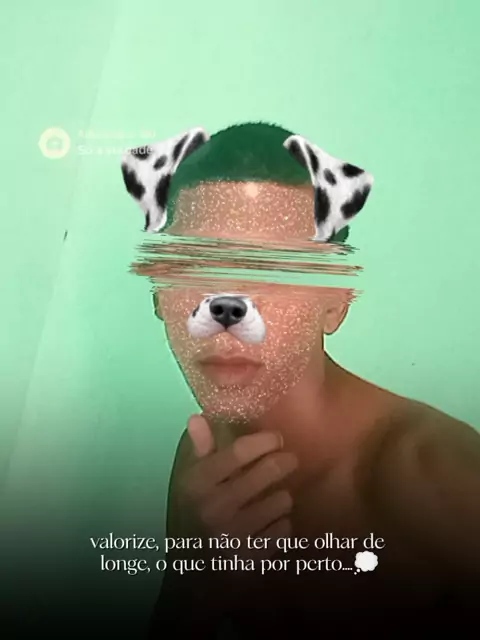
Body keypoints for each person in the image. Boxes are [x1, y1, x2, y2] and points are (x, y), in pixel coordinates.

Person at [124, 123, 480, 637]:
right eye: (196, 264)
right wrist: (189, 593)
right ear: (158, 289)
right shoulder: (205, 461)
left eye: (275, 269)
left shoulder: (435, 477)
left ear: (334, 301)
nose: (227, 307)